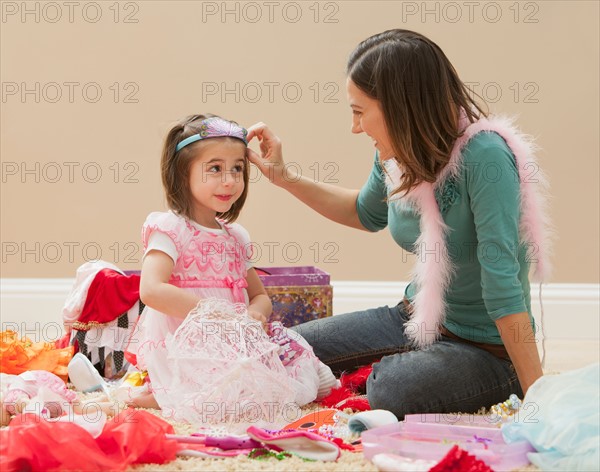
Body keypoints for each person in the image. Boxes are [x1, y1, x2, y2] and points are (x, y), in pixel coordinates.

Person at [246, 29, 551, 419]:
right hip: (413, 319)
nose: (354, 127)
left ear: (400, 107)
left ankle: (438, 376)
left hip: (486, 349)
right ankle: (407, 368)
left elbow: (504, 286)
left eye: (359, 112)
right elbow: (364, 211)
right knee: (289, 348)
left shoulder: (485, 156)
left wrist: (539, 398)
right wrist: (284, 177)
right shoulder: (398, 153)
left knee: (393, 389)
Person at [124, 115, 337, 421]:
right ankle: (158, 392)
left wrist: (256, 314)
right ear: (183, 173)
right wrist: (213, 312)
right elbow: (152, 290)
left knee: (296, 369)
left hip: (236, 338)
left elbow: (259, 295)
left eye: (237, 168)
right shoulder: (171, 228)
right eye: (215, 169)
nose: (229, 180)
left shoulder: (235, 237)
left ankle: (164, 394)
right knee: (226, 395)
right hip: (188, 342)